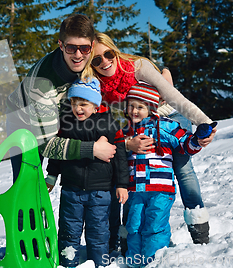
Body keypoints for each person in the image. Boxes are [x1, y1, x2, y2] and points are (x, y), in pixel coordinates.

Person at [85, 32, 214, 247]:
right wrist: (125, 143)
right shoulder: (98, 84)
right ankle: (127, 234)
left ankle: (199, 230)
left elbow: (173, 96)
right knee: (131, 172)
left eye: (108, 54)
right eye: (97, 60)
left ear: (115, 51)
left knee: (183, 169)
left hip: (170, 115)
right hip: (139, 123)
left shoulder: (138, 67)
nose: (105, 62)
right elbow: (99, 122)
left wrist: (205, 123)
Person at [6, 14, 116, 181]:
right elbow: (46, 145)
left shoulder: (93, 59)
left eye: (85, 49)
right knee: (27, 180)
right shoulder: (42, 84)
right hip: (24, 123)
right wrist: (92, 149)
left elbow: (126, 67)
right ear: (61, 45)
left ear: (92, 46)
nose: (78, 55)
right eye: (71, 48)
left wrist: (163, 73)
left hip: (58, 113)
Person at [117, 81, 213, 267]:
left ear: (152, 108)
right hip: (135, 191)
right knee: (134, 226)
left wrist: (198, 139)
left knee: (154, 227)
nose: (134, 111)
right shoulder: (125, 131)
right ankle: (134, 262)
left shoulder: (167, 127)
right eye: (131, 106)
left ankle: (153, 261)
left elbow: (186, 145)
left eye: (140, 107)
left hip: (160, 189)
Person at [44, 77, 129, 267]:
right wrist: (51, 176)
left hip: (100, 191)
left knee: (98, 231)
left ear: (96, 106)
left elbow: (120, 158)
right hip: (71, 189)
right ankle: (68, 262)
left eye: (83, 104)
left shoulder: (109, 124)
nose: (78, 108)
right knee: (68, 230)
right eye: (74, 103)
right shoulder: (66, 125)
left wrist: (122, 185)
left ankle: (99, 263)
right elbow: (58, 155)